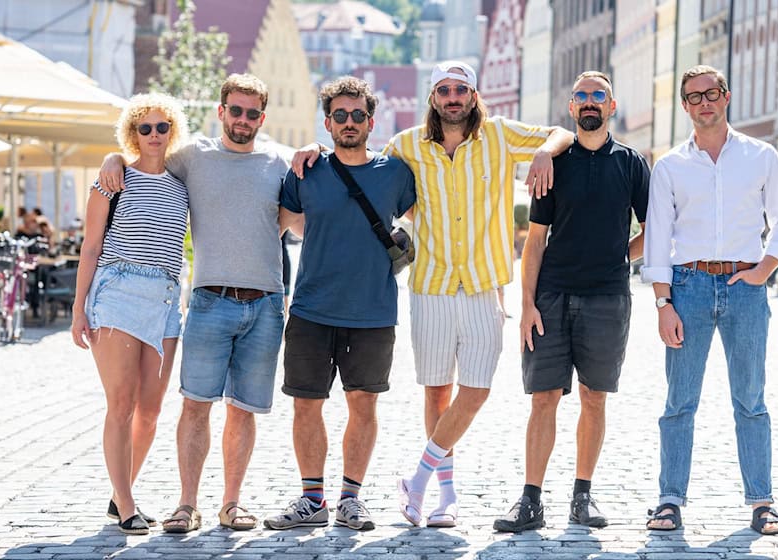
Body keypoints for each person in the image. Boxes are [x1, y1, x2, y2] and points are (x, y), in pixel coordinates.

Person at [295, 60, 573, 528]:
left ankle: (418, 479)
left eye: (460, 89)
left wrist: (544, 151)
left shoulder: (500, 136)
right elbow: (358, 162)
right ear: (432, 97)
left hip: (485, 284)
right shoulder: (406, 147)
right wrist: (313, 147)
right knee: (438, 390)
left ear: (473, 95)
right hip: (432, 287)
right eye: (443, 89)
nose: (452, 97)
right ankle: (445, 495)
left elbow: (561, 132)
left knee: (477, 389)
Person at [99, 74, 293, 534]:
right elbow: (145, 156)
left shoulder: (280, 164)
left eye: (252, 113)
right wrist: (112, 156)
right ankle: (187, 504)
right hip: (208, 300)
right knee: (195, 405)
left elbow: (300, 210)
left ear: (261, 118)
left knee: (243, 410)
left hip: (265, 304)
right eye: (235, 110)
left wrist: (310, 153)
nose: (242, 119)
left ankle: (231, 503)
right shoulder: (194, 158)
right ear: (221, 112)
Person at [641, 64, 778, 536]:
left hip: (744, 289)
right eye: (694, 96)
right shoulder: (669, 166)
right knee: (679, 400)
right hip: (687, 288)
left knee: (751, 399)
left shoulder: (761, 156)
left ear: (726, 96)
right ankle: (669, 501)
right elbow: (657, 239)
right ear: (684, 105)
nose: (704, 102)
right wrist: (663, 304)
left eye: (712, 93)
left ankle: (762, 502)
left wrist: (764, 270)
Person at [493, 71, 649, 533]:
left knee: (594, 398)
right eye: (580, 95)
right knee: (543, 399)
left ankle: (583, 496)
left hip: (608, 298)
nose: (588, 102)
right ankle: (531, 501)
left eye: (597, 95)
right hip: (552, 297)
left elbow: (655, 229)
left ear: (611, 106)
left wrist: (620, 254)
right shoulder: (553, 165)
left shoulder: (632, 163)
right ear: (570, 107)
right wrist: (527, 304)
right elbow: (535, 242)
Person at [264, 76, 416, 532]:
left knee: (363, 406)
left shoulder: (396, 173)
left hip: (373, 312)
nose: (349, 123)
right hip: (311, 309)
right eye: (339, 116)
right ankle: (313, 498)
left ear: (371, 121)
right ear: (328, 123)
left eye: (357, 116)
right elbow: (281, 224)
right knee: (306, 405)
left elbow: (433, 218)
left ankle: (351, 498)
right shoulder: (307, 170)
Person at [70, 93, 190, 535]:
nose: (154, 135)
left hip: (164, 300)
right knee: (120, 404)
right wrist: (78, 309)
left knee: (151, 410)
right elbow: (90, 247)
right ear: (132, 132)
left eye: (162, 127)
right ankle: (125, 503)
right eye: (145, 128)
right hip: (117, 293)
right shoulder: (113, 180)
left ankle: (120, 492)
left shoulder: (182, 186)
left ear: (172, 130)